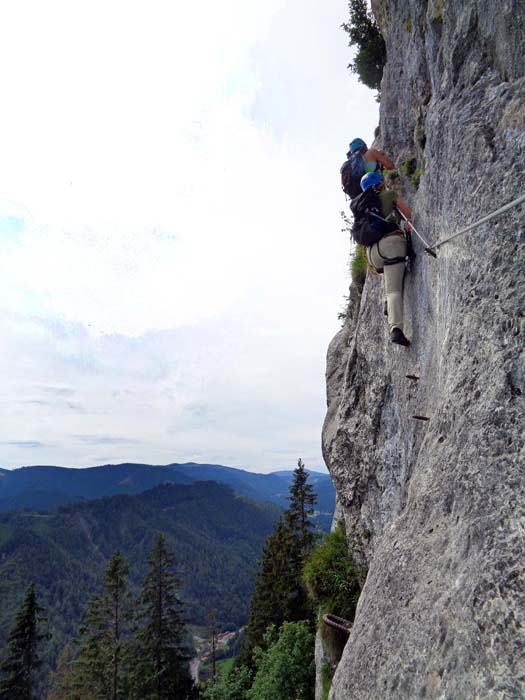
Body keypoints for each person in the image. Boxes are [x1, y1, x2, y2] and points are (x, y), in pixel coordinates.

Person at [360, 171, 413, 347]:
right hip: (391, 244)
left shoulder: (363, 208)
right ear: (380, 184)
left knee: (391, 278)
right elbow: (407, 214)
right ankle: (396, 328)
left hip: (372, 254)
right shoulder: (389, 195)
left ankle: (387, 304)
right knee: (394, 291)